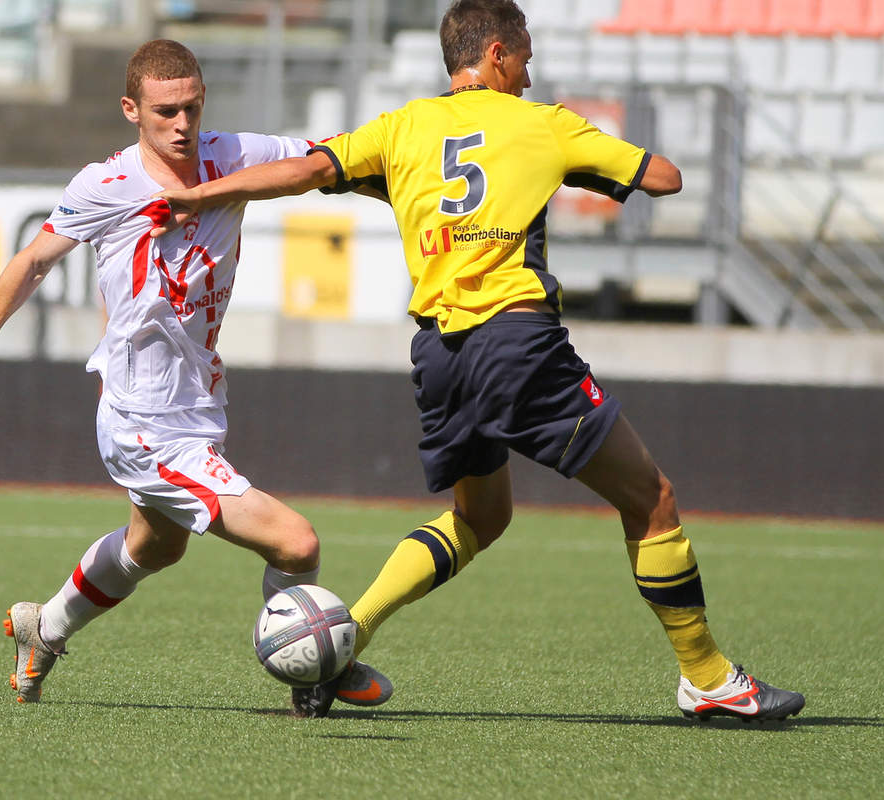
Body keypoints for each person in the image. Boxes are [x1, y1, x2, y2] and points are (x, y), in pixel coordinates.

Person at [152, 0, 805, 722]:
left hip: (439, 355)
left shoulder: (401, 127)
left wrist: (203, 193)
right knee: (652, 504)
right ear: (496, 53)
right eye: (524, 54)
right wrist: (567, 161)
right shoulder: (545, 123)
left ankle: (343, 639)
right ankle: (709, 678)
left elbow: (306, 171)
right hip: (517, 344)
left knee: (480, 518)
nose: (531, 70)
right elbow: (664, 178)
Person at [0, 39, 391, 709]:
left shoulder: (235, 156)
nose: (182, 124)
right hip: (141, 420)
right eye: (166, 110)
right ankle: (312, 671)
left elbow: (328, 161)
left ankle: (43, 627)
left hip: (198, 404)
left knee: (155, 547)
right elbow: (30, 263)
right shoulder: (107, 184)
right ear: (131, 110)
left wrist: (403, 187)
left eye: (192, 107)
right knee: (295, 541)